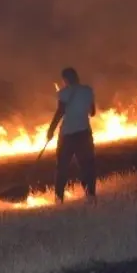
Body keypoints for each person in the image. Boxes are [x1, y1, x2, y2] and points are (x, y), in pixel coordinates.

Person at [45, 66, 97, 203]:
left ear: (65, 79)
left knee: (62, 166)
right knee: (87, 165)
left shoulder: (63, 93)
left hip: (67, 135)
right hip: (84, 134)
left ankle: (59, 198)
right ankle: (90, 194)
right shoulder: (88, 91)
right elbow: (92, 112)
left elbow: (60, 112)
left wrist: (51, 130)